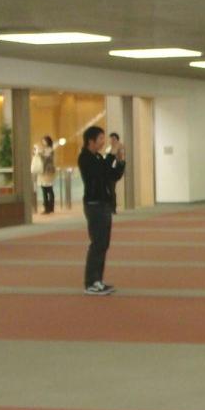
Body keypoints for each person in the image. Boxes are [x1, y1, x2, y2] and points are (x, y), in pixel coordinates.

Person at [79, 125, 125, 295]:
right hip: (94, 205)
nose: (103, 142)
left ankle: (97, 280)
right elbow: (99, 172)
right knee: (97, 243)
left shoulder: (98, 157)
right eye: (100, 138)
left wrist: (120, 160)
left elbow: (112, 175)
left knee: (103, 244)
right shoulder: (85, 158)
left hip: (104, 204)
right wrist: (111, 153)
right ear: (90, 141)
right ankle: (91, 282)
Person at [33, 135, 56, 214]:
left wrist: (39, 153)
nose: (43, 142)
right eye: (43, 141)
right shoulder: (45, 150)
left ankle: (48, 207)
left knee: (47, 189)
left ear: (48, 141)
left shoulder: (49, 150)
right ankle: (49, 207)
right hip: (44, 171)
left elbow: (45, 159)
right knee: (46, 189)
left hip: (47, 171)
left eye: (44, 141)